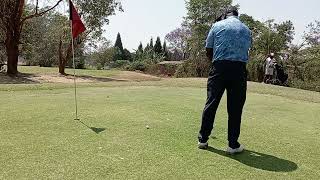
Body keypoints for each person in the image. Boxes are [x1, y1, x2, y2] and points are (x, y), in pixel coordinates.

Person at [198, 6, 252, 154]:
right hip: (239, 69)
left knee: (211, 103)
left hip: (219, 68)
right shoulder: (247, 30)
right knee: (235, 108)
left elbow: (208, 49)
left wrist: (216, 64)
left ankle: (203, 140)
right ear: (237, 15)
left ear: (226, 15)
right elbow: (247, 51)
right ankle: (233, 145)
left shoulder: (217, 25)